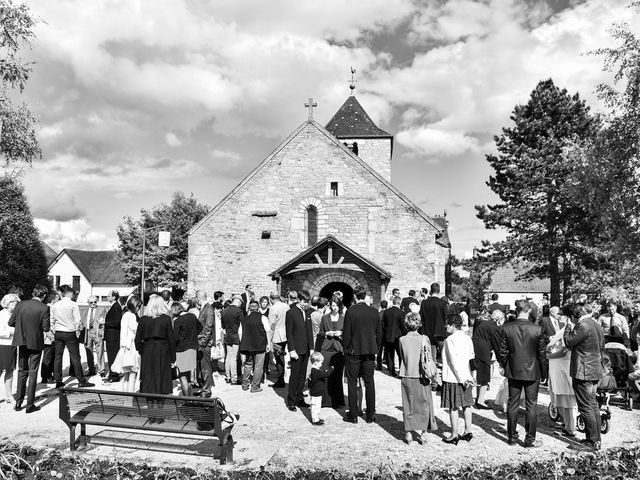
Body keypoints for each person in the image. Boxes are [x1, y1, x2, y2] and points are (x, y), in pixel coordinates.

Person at [497, 299, 547, 448]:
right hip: (532, 370)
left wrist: (504, 366)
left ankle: (512, 437)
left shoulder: (507, 328)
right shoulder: (537, 329)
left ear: (516, 310)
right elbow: (541, 354)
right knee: (531, 405)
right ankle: (529, 439)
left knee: (513, 403)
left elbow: (502, 352)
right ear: (529, 311)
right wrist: (544, 373)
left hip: (514, 369)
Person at [564, 302, 605, 451]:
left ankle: (591, 441)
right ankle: (596, 439)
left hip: (584, 371)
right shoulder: (596, 324)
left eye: (570, 317)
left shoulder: (582, 325)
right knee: (593, 405)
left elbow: (568, 342)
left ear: (573, 316)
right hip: (595, 369)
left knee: (586, 406)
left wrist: (568, 326)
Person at [8, 284, 51, 413]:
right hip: (36, 342)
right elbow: (46, 328)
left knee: (22, 371)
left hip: (21, 340)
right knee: (33, 373)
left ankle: (18, 402)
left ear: (34, 293)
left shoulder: (21, 304)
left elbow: (11, 322)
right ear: (43, 295)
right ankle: (30, 404)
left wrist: (22, 326)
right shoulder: (44, 308)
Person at [342, 289, 382, 424]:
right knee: (369, 382)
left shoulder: (351, 311)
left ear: (354, 296)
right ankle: (370, 415)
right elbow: (379, 333)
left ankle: (353, 415)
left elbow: (346, 333)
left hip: (354, 350)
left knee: (352, 383)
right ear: (365, 297)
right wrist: (376, 347)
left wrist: (346, 348)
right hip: (370, 350)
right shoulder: (374, 311)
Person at [398, 312, 437, 444]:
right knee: (424, 404)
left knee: (408, 404)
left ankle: (408, 433)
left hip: (407, 373)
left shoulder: (402, 340)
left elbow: (402, 357)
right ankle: (423, 433)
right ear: (419, 324)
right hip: (422, 374)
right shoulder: (424, 339)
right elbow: (429, 357)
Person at [134, 295, 176, 405]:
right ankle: (159, 413)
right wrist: (173, 357)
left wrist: (142, 350)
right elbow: (171, 339)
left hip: (148, 350)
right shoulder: (166, 319)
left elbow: (137, 339)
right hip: (163, 350)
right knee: (161, 380)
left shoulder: (143, 320)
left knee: (149, 380)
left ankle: (151, 412)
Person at [441, 312, 475, 444]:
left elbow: (454, 361)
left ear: (453, 325)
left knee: (453, 406)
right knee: (467, 404)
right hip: (467, 375)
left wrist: (462, 378)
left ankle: (454, 433)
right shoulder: (467, 338)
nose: (446, 327)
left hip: (454, 377)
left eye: (447, 325)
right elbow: (472, 357)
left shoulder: (450, 340)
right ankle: (468, 430)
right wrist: (471, 376)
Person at [51, 285, 94, 389]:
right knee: (75, 357)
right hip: (69, 332)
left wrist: (54, 331)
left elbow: (52, 320)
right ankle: (81, 380)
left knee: (58, 357)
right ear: (69, 293)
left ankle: (58, 380)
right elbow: (77, 321)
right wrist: (77, 331)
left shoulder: (55, 305)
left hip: (59, 332)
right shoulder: (73, 304)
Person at [546, 309, 577, 438]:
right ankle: (566, 424)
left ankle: (570, 428)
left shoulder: (570, 329)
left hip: (564, 369)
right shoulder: (565, 329)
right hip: (559, 369)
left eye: (561, 316)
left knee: (569, 401)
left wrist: (548, 355)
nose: (559, 318)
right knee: (563, 400)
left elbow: (565, 348)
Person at [285, 291, 313, 411]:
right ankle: (291, 400)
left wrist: (311, 348)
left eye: (307, 302)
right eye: (304, 302)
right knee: (295, 376)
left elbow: (309, 332)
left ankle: (299, 397)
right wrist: (292, 350)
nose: (305, 304)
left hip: (306, 349)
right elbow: (289, 333)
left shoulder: (307, 312)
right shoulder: (291, 313)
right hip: (296, 350)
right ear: (299, 300)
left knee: (303, 376)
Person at [315, 296, 345, 407]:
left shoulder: (343, 318)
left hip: (338, 348)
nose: (334, 308)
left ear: (339, 306)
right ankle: (326, 401)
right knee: (325, 374)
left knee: (337, 375)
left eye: (336, 305)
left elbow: (347, 332)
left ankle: (337, 401)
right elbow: (320, 332)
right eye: (332, 305)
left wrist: (340, 333)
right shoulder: (325, 317)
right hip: (326, 348)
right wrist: (327, 333)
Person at [111, 295, 142, 392]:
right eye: (138, 306)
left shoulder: (125, 315)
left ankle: (126, 396)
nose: (139, 309)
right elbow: (135, 330)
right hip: (131, 346)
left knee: (126, 375)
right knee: (132, 373)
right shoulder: (132, 316)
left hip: (124, 346)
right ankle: (131, 395)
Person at [472, 308, 502, 409]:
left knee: (479, 376)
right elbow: (497, 344)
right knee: (484, 376)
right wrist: (501, 359)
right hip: (484, 352)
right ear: (498, 318)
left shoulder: (484, 324)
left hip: (476, 349)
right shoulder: (494, 327)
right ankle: (480, 401)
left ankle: (478, 398)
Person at [172, 301, 202, 396]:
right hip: (192, 348)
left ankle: (186, 399)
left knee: (182, 376)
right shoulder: (192, 316)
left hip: (181, 349)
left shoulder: (178, 321)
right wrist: (193, 336)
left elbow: (175, 337)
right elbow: (200, 327)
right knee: (188, 375)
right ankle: (189, 397)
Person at [239, 300, 269, 393]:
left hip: (247, 345)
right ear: (258, 307)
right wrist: (268, 344)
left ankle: (245, 385)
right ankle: (255, 386)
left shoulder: (244, 319)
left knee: (248, 364)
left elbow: (240, 333)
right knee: (258, 366)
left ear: (249, 308)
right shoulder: (263, 318)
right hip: (260, 344)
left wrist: (243, 342)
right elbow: (267, 331)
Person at [419, 283, 448, 364]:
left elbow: (421, 317)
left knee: (431, 356)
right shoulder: (442, 303)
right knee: (444, 355)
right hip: (439, 331)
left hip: (428, 331)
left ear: (431, 290)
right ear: (439, 291)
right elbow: (446, 317)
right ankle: (444, 372)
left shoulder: (424, 303)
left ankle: (432, 373)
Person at [80, 295, 107, 377]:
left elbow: (105, 321)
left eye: (95, 302)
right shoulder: (84, 311)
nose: (93, 304)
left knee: (100, 351)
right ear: (88, 303)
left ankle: (101, 370)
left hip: (97, 333)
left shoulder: (101, 310)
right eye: (91, 302)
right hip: (87, 333)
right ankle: (91, 369)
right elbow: (82, 323)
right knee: (88, 351)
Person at [0, 293, 20, 403]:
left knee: (10, 371)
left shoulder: (15, 315)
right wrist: (14, 332)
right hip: (2, 345)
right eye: (13, 301)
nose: (15, 303)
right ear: (7, 303)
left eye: (17, 301)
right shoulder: (1, 315)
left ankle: (8, 395)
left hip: (12, 345)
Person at [196, 290, 216, 395]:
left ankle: (207, 389)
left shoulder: (208, 309)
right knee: (202, 367)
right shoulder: (205, 308)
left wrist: (203, 342)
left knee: (206, 367)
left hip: (205, 343)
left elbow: (209, 326)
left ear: (198, 298)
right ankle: (205, 388)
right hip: (202, 342)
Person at [268, 292, 289, 388]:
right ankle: (282, 377)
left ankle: (281, 380)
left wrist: (269, 340)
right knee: (281, 357)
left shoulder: (273, 308)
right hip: (286, 333)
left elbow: (271, 326)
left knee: (279, 358)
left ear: (271, 299)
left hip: (277, 335)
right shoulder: (286, 306)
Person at [221, 296, 243, 385]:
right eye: (240, 303)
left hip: (227, 335)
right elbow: (242, 325)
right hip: (235, 335)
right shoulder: (238, 311)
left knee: (228, 356)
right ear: (238, 301)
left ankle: (228, 376)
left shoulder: (224, 311)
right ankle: (234, 378)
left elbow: (223, 326)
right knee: (234, 357)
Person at [308, 352, 333, 426]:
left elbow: (321, 374)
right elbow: (326, 375)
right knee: (315, 406)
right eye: (320, 363)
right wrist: (331, 369)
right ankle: (315, 420)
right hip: (316, 393)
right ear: (315, 363)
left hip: (317, 392)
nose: (321, 364)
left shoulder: (315, 370)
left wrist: (324, 371)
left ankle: (316, 418)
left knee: (317, 406)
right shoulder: (315, 371)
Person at [40, 291, 60, 384]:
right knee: (47, 357)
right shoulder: (48, 308)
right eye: (58, 299)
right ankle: (45, 376)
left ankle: (49, 375)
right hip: (49, 337)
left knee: (52, 356)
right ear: (53, 300)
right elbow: (46, 324)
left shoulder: (52, 308)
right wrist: (51, 336)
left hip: (52, 336)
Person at [104, 290, 123, 382]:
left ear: (114, 297)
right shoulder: (114, 306)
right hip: (111, 335)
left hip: (113, 336)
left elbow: (116, 322)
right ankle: (112, 374)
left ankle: (114, 375)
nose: (107, 297)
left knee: (113, 356)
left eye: (108, 296)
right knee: (111, 356)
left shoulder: (116, 307)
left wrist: (105, 322)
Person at [382, 296, 403, 377]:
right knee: (400, 354)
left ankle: (391, 371)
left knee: (390, 354)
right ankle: (401, 372)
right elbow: (402, 325)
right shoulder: (400, 312)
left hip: (388, 335)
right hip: (398, 336)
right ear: (399, 303)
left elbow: (383, 324)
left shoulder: (386, 311)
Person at [376, 300, 388, 370]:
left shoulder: (378, 314)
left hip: (380, 333)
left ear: (381, 306)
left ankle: (379, 365)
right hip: (386, 333)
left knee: (379, 350)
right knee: (388, 350)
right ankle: (388, 364)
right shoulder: (388, 313)